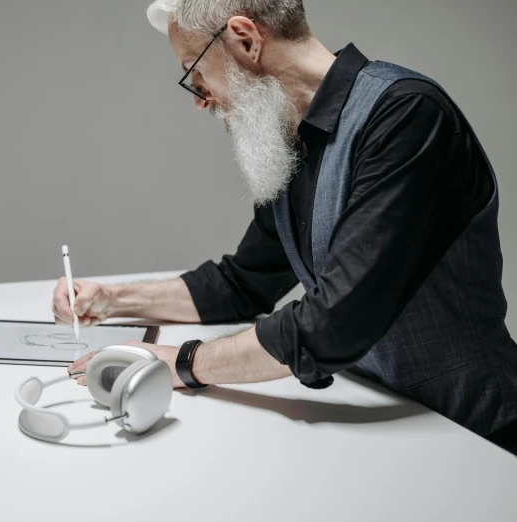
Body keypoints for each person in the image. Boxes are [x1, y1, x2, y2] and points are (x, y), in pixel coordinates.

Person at [52, 0, 517, 454]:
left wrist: (184, 361)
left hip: (474, 432)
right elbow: (243, 284)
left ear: (244, 38)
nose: (200, 99)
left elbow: (334, 323)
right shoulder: (291, 134)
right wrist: (112, 299)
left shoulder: (407, 116)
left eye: (196, 74)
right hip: (380, 422)